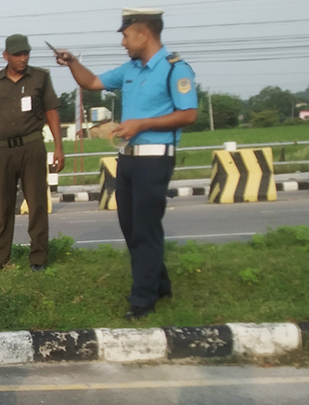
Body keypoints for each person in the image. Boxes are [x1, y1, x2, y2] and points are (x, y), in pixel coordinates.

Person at [53, 8, 197, 319]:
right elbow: (91, 82)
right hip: (128, 160)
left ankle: (142, 301)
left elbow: (188, 114)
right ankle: (160, 285)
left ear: (144, 33)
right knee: (132, 228)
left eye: (125, 35)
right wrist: (72, 63)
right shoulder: (131, 69)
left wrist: (141, 125)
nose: (123, 42)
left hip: (155, 160)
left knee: (145, 230)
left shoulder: (175, 69)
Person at [0, 33, 65, 273]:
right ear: (6, 56)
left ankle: (38, 259)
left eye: (26, 53)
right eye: (17, 54)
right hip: (2, 150)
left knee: (36, 205)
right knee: (3, 206)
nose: (23, 58)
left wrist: (58, 147)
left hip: (32, 147)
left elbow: (52, 111)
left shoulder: (40, 78)